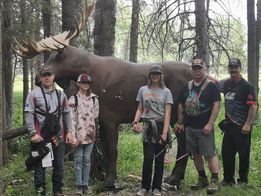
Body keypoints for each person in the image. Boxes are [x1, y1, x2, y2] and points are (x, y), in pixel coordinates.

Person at [24, 65, 73, 196]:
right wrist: (33, 133)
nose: (47, 78)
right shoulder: (33, 94)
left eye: (49, 75)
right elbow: (28, 114)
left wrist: (70, 131)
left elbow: (67, 114)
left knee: (59, 165)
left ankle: (57, 191)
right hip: (40, 137)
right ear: (40, 77)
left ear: (53, 77)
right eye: (44, 75)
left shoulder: (61, 94)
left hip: (58, 136)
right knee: (40, 168)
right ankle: (41, 193)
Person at [176, 59, 221, 194]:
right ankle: (202, 178)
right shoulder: (186, 86)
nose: (197, 71)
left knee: (209, 154)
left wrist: (210, 124)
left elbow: (217, 105)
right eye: (194, 69)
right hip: (190, 127)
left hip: (204, 128)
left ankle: (214, 180)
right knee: (195, 154)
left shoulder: (211, 86)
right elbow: (180, 105)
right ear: (191, 70)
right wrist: (180, 122)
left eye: (199, 68)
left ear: (204, 70)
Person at [132, 65, 173, 196]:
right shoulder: (143, 90)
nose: (155, 76)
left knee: (159, 158)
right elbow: (140, 108)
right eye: (153, 74)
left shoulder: (166, 92)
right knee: (148, 158)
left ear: (161, 76)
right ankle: (144, 187)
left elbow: (167, 114)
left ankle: (157, 188)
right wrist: (135, 121)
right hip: (148, 126)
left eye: (157, 74)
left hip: (161, 125)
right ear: (149, 76)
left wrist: (165, 133)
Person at [218, 58, 257, 186]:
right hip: (229, 126)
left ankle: (243, 180)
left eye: (236, 67)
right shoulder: (226, 83)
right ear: (228, 69)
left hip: (242, 126)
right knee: (227, 153)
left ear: (240, 69)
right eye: (231, 67)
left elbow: (253, 106)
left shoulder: (247, 86)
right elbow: (213, 83)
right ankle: (228, 179)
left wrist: (247, 124)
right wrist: (203, 73)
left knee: (243, 154)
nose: (233, 70)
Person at [67, 73, 99, 194]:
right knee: (78, 159)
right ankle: (78, 185)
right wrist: (72, 134)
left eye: (87, 83)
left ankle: (86, 184)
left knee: (86, 159)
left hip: (90, 134)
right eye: (83, 82)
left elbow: (95, 115)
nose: (85, 84)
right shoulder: (73, 99)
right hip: (78, 135)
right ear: (78, 83)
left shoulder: (94, 98)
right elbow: (70, 117)